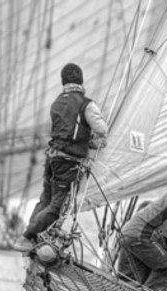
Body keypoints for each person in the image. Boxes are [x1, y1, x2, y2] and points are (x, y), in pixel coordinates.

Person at [19, 63, 108, 246]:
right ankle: (27, 236)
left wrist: (86, 141)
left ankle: (32, 236)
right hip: (68, 163)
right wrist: (95, 140)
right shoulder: (86, 104)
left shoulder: (57, 103)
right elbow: (101, 128)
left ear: (63, 81)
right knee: (56, 206)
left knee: (45, 199)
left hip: (52, 158)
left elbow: (66, 132)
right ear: (81, 80)